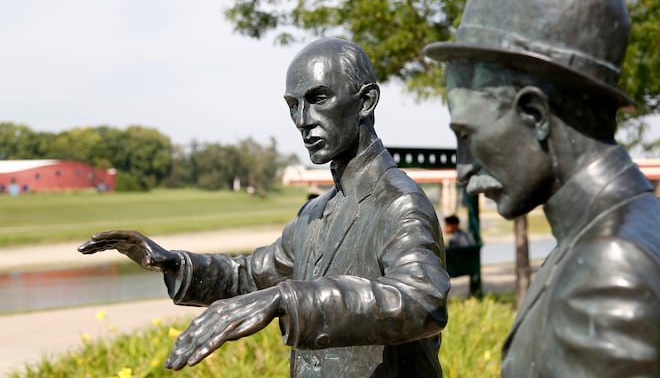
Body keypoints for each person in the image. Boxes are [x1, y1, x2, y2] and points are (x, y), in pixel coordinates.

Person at [424, 0, 660, 378]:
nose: (462, 171)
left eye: (469, 137)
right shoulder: (629, 229)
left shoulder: (609, 266)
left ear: (535, 115)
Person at [79, 38, 450, 377]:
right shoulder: (313, 214)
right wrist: (175, 264)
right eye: (293, 105)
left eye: (318, 99)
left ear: (366, 102)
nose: (303, 120)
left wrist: (285, 298)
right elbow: (253, 276)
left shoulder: (399, 202)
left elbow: (422, 299)